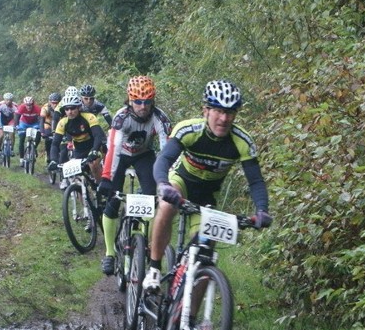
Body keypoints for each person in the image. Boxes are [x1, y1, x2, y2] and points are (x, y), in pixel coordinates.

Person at [142, 80, 272, 292]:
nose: (224, 118)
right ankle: (154, 269)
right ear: (206, 110)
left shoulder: (242, 142)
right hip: (181, 182)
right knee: (166, 205)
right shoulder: (188, 130)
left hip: (207, 198)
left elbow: (255, 180)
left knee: (205, 257)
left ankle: (190, 321)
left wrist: (262, 209)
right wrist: (163, 185)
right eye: (219, 111)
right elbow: (163, 160)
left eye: (230, 112)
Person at [97, 76, 172, 276]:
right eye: (138, 101)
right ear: (130, 100)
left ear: (152, 101)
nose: (143, 106)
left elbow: (166, 151)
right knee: (113, 201)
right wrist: (106, 178)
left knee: (151, 197)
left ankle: (143, 241)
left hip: (143, 155)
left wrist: (167, 181)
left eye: (147, 101)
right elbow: (113, 148)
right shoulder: (121, 118)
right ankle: (110, 253)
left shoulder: (159, 118)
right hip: (120, 156)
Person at [50, 92, 106, 189]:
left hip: (94, 146)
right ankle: (85, 202)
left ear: (79, 107)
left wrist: (94, 150)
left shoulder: (89, 117)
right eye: (67, 109)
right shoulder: (63, 123)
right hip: (79, 150)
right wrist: (54, 160)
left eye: (72, 108)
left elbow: (98, 135)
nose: (70, 111)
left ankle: (102, 190)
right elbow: (55, 144)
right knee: (78, 179)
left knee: (93, 165)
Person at [14, 96, 42, 168]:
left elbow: (41, 119)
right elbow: (17, 116)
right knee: (22, 139)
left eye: (30, 105)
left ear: (33, 104)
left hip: (34, 123)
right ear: (24, 104)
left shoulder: (37, 108)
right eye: (27, 105)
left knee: (38, 134)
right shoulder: (21, 107)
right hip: (24, 123)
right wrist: (16, 126)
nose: (29, 107)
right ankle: (21, 159)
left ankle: (34, 148)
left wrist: (41, 128)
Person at [40, 92, 61, 167]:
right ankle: (48, 154)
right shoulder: (46, 107)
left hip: (59, 125)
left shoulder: (62, 107)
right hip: (48, 125)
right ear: (49, 102)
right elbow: (41, 120)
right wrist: (42, 132)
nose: (54, 105)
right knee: (48, 138)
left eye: (56, 103)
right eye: (53, 103)